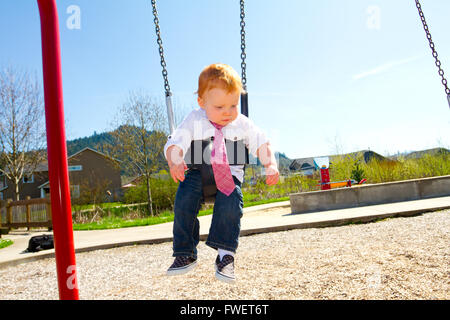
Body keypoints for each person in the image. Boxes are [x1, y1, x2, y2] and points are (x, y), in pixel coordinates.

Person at [164, 63, 279, 283]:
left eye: (233, 105)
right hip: (196, 172)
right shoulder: (194, 119)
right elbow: (175, 141)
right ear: (202, 102)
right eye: (219, 107)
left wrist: (270, 164)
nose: (227, 112)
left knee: (231, 206)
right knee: (183, 203)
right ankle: (185, 253)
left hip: (230, 175)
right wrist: (175, 160)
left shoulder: (242, 123)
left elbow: (261, 142)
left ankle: (225, 255)